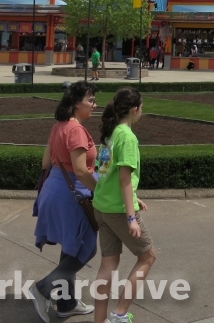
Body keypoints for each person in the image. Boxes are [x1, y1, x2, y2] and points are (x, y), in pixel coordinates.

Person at [32, 82, 99, 321]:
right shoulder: (76, 130)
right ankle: (43, 289)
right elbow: (80, 171)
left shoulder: (58, 127)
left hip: (54, 190)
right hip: (73, 196)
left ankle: (66, 303)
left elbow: (45, 163)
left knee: (71, 247)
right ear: (76, 103)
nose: (94, 105)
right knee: (87, 248)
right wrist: (101, 190)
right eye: (91, 100)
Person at [92, 87, 155, 323]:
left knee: (108, 264)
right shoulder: (127, 137)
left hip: (102, 207)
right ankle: (119, 314)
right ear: (134, 109)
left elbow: (103, 173)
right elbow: (124, 178)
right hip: (118, 211)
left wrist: (134, 197)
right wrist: (131, 217)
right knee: (147, 256)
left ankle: (100, 320)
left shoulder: (111, 133)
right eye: (141, 107)